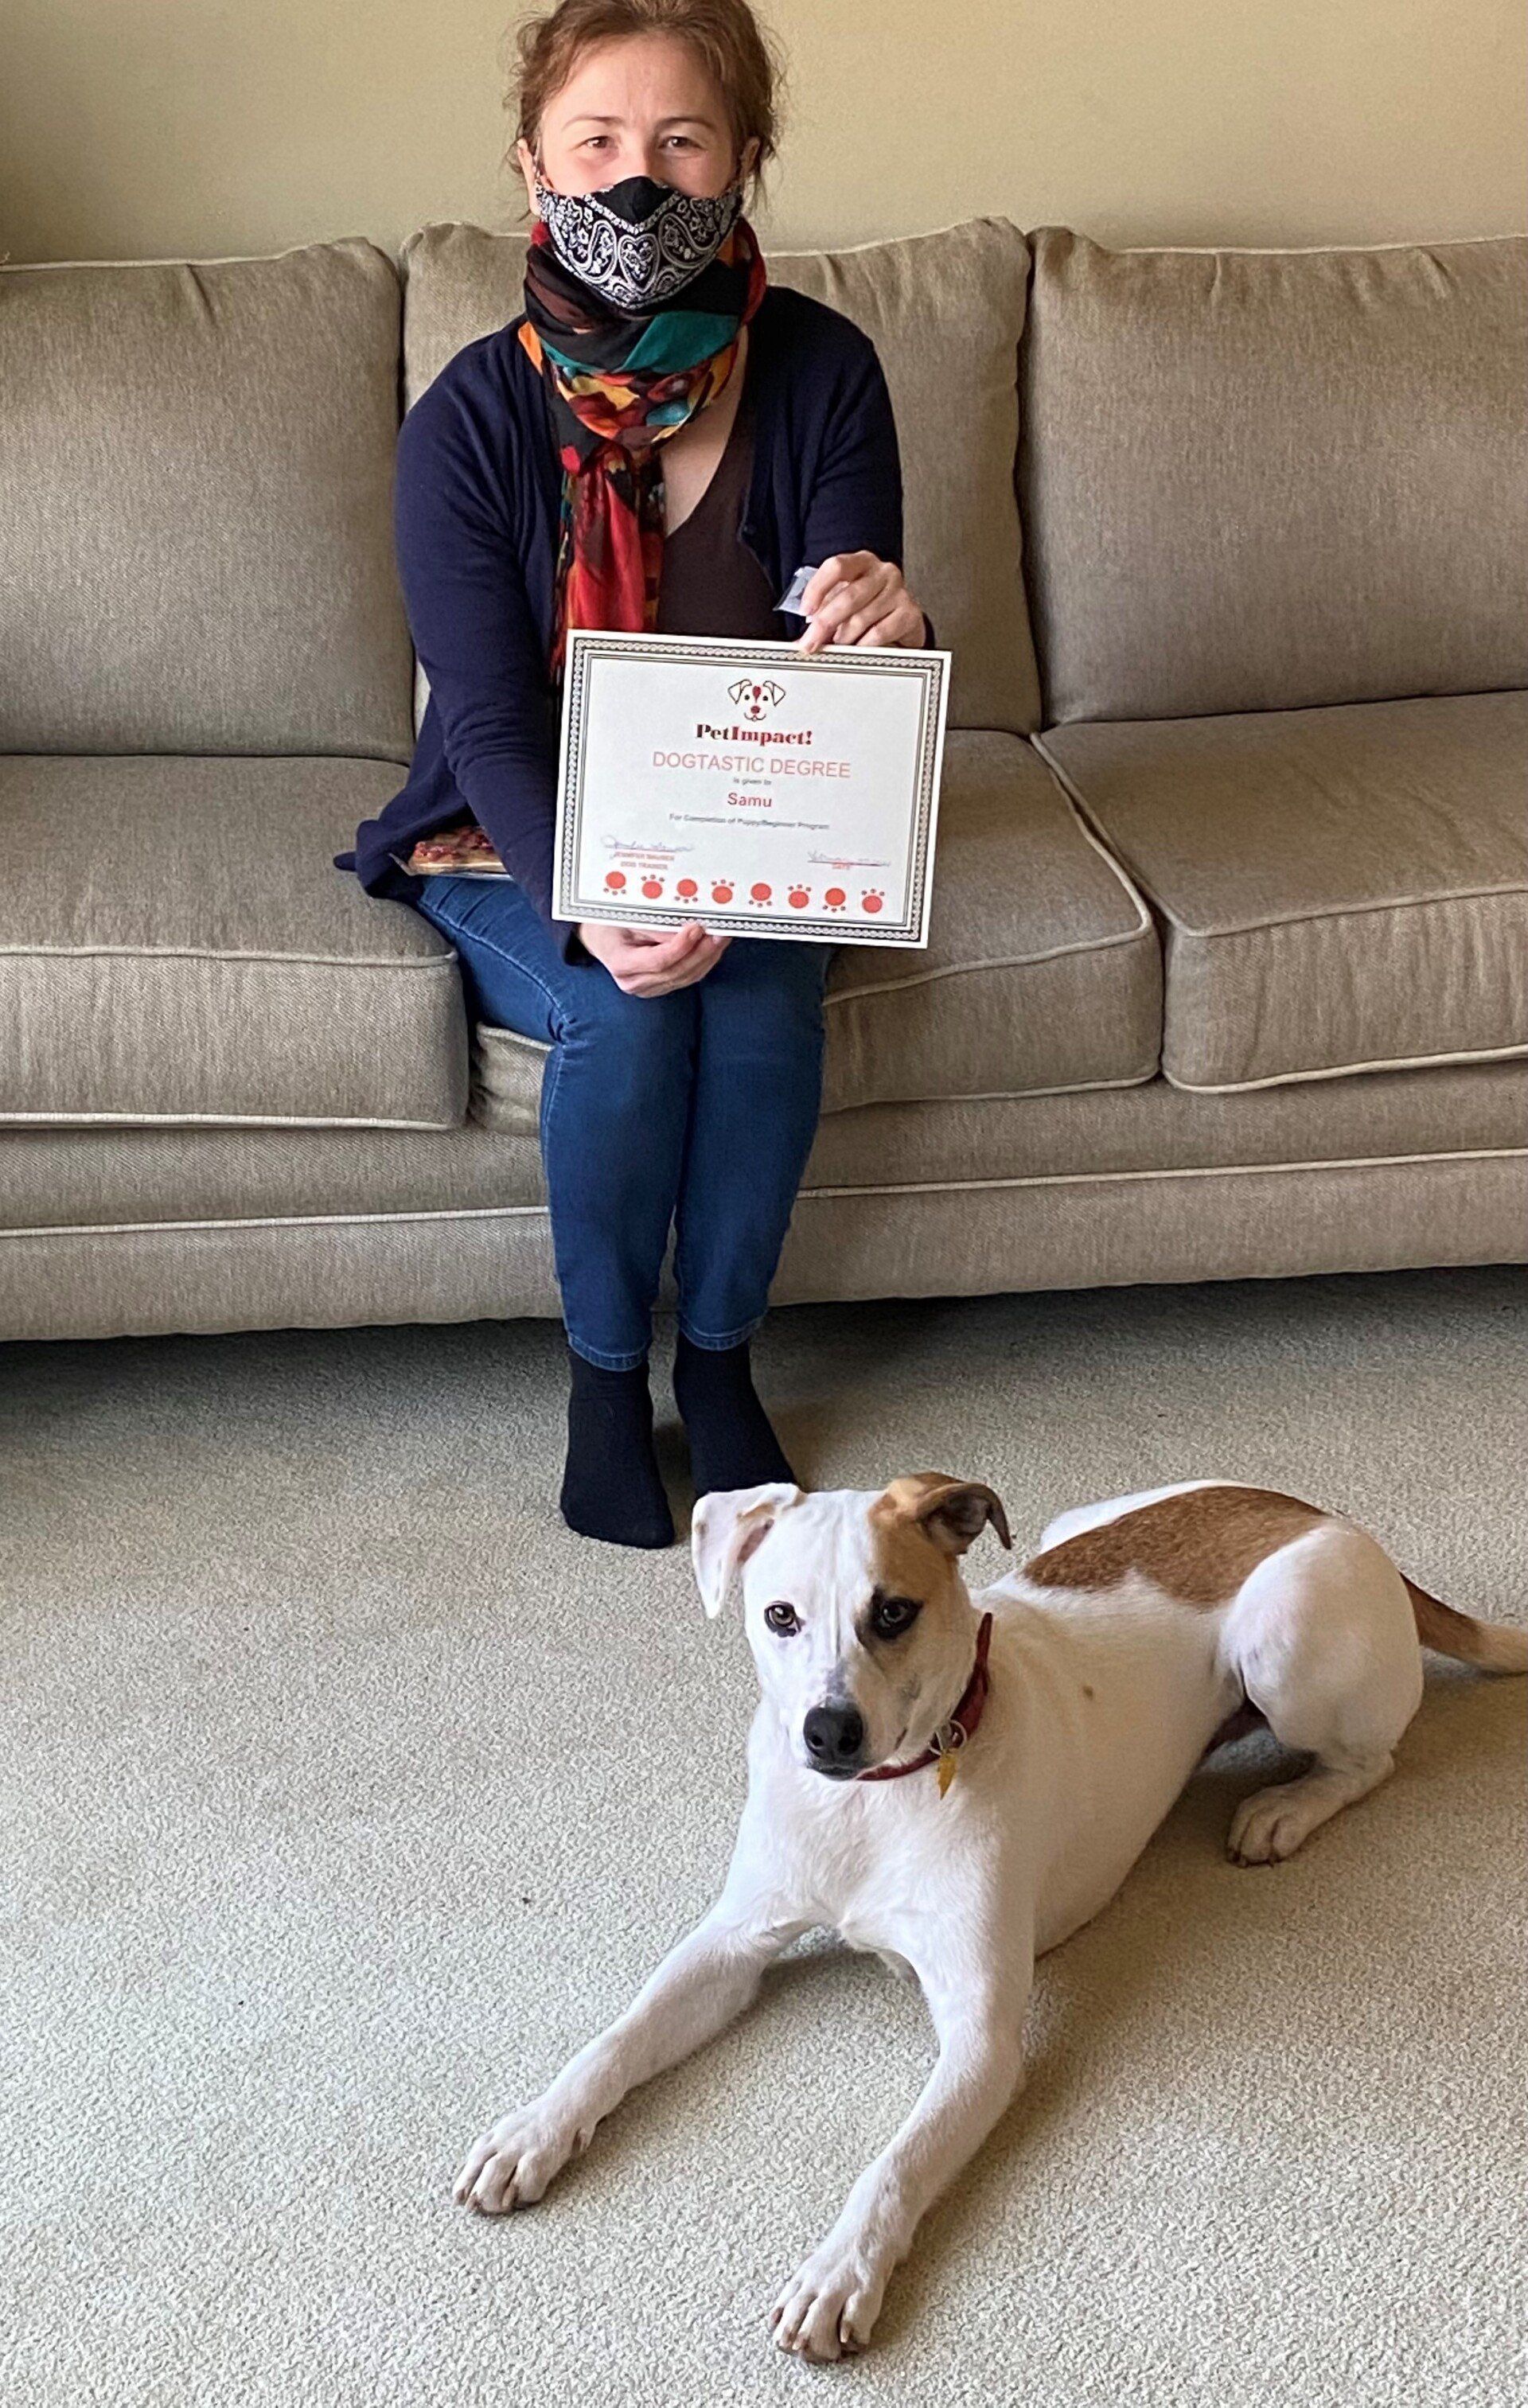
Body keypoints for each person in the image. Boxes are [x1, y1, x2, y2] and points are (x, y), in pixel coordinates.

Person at [338, 0, 933, 1549]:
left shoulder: (823, 373)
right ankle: (610, 1384)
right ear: (533, 164)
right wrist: (596, 900)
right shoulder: (466, 420)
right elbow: (482, 718)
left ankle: (721, 1361)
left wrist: (887, 623)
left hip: (754, 819)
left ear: (745, 161)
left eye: (679, 142)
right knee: (623, 1005)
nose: (635, 183)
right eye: (597, 142)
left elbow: (835, 688)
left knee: (760, 1002)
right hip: (508, 827)